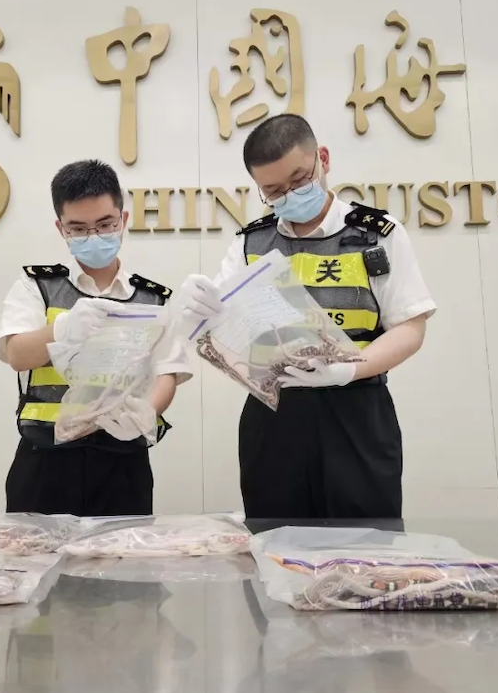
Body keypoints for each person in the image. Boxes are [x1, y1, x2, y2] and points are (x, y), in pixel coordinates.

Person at [178, 114, 435, 519]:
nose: (290, 195)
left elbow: (410, 327)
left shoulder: (376, 234)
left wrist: (349, 370)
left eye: (299, 180)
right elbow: (222, 323)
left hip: (357, 413)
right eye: (274, 190)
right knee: (274, 545)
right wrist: (199, 309)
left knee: (366, 548)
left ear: (323, 159)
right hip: (275, 416)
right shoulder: (251, 242)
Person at [0, 159, 191, 517]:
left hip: (123, 461)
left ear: (123, 220)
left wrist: (148, 410)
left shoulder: (152, 298)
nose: (94, 236)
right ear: (61, 229)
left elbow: (168, 372)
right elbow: (16, 355)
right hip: (45, 460)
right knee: (37, 567)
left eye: (105, 224)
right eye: (79, 228)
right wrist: (61, 330)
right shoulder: (37, 287)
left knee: (122, 568)